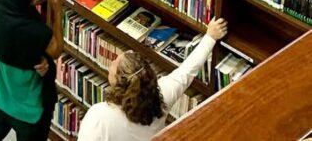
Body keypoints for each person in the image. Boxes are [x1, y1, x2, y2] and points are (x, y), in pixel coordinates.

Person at [77, 18, 229, 141]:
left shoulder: (100, 116)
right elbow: (187, 71)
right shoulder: (162, 97)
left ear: (119, 81)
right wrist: (210, 37)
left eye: (114, 64)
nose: (110, 65)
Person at [0, 0, 65, 141]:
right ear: (35, 1)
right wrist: (57, 12)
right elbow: (56, 50)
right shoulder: (36, 32)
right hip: (27, 108)